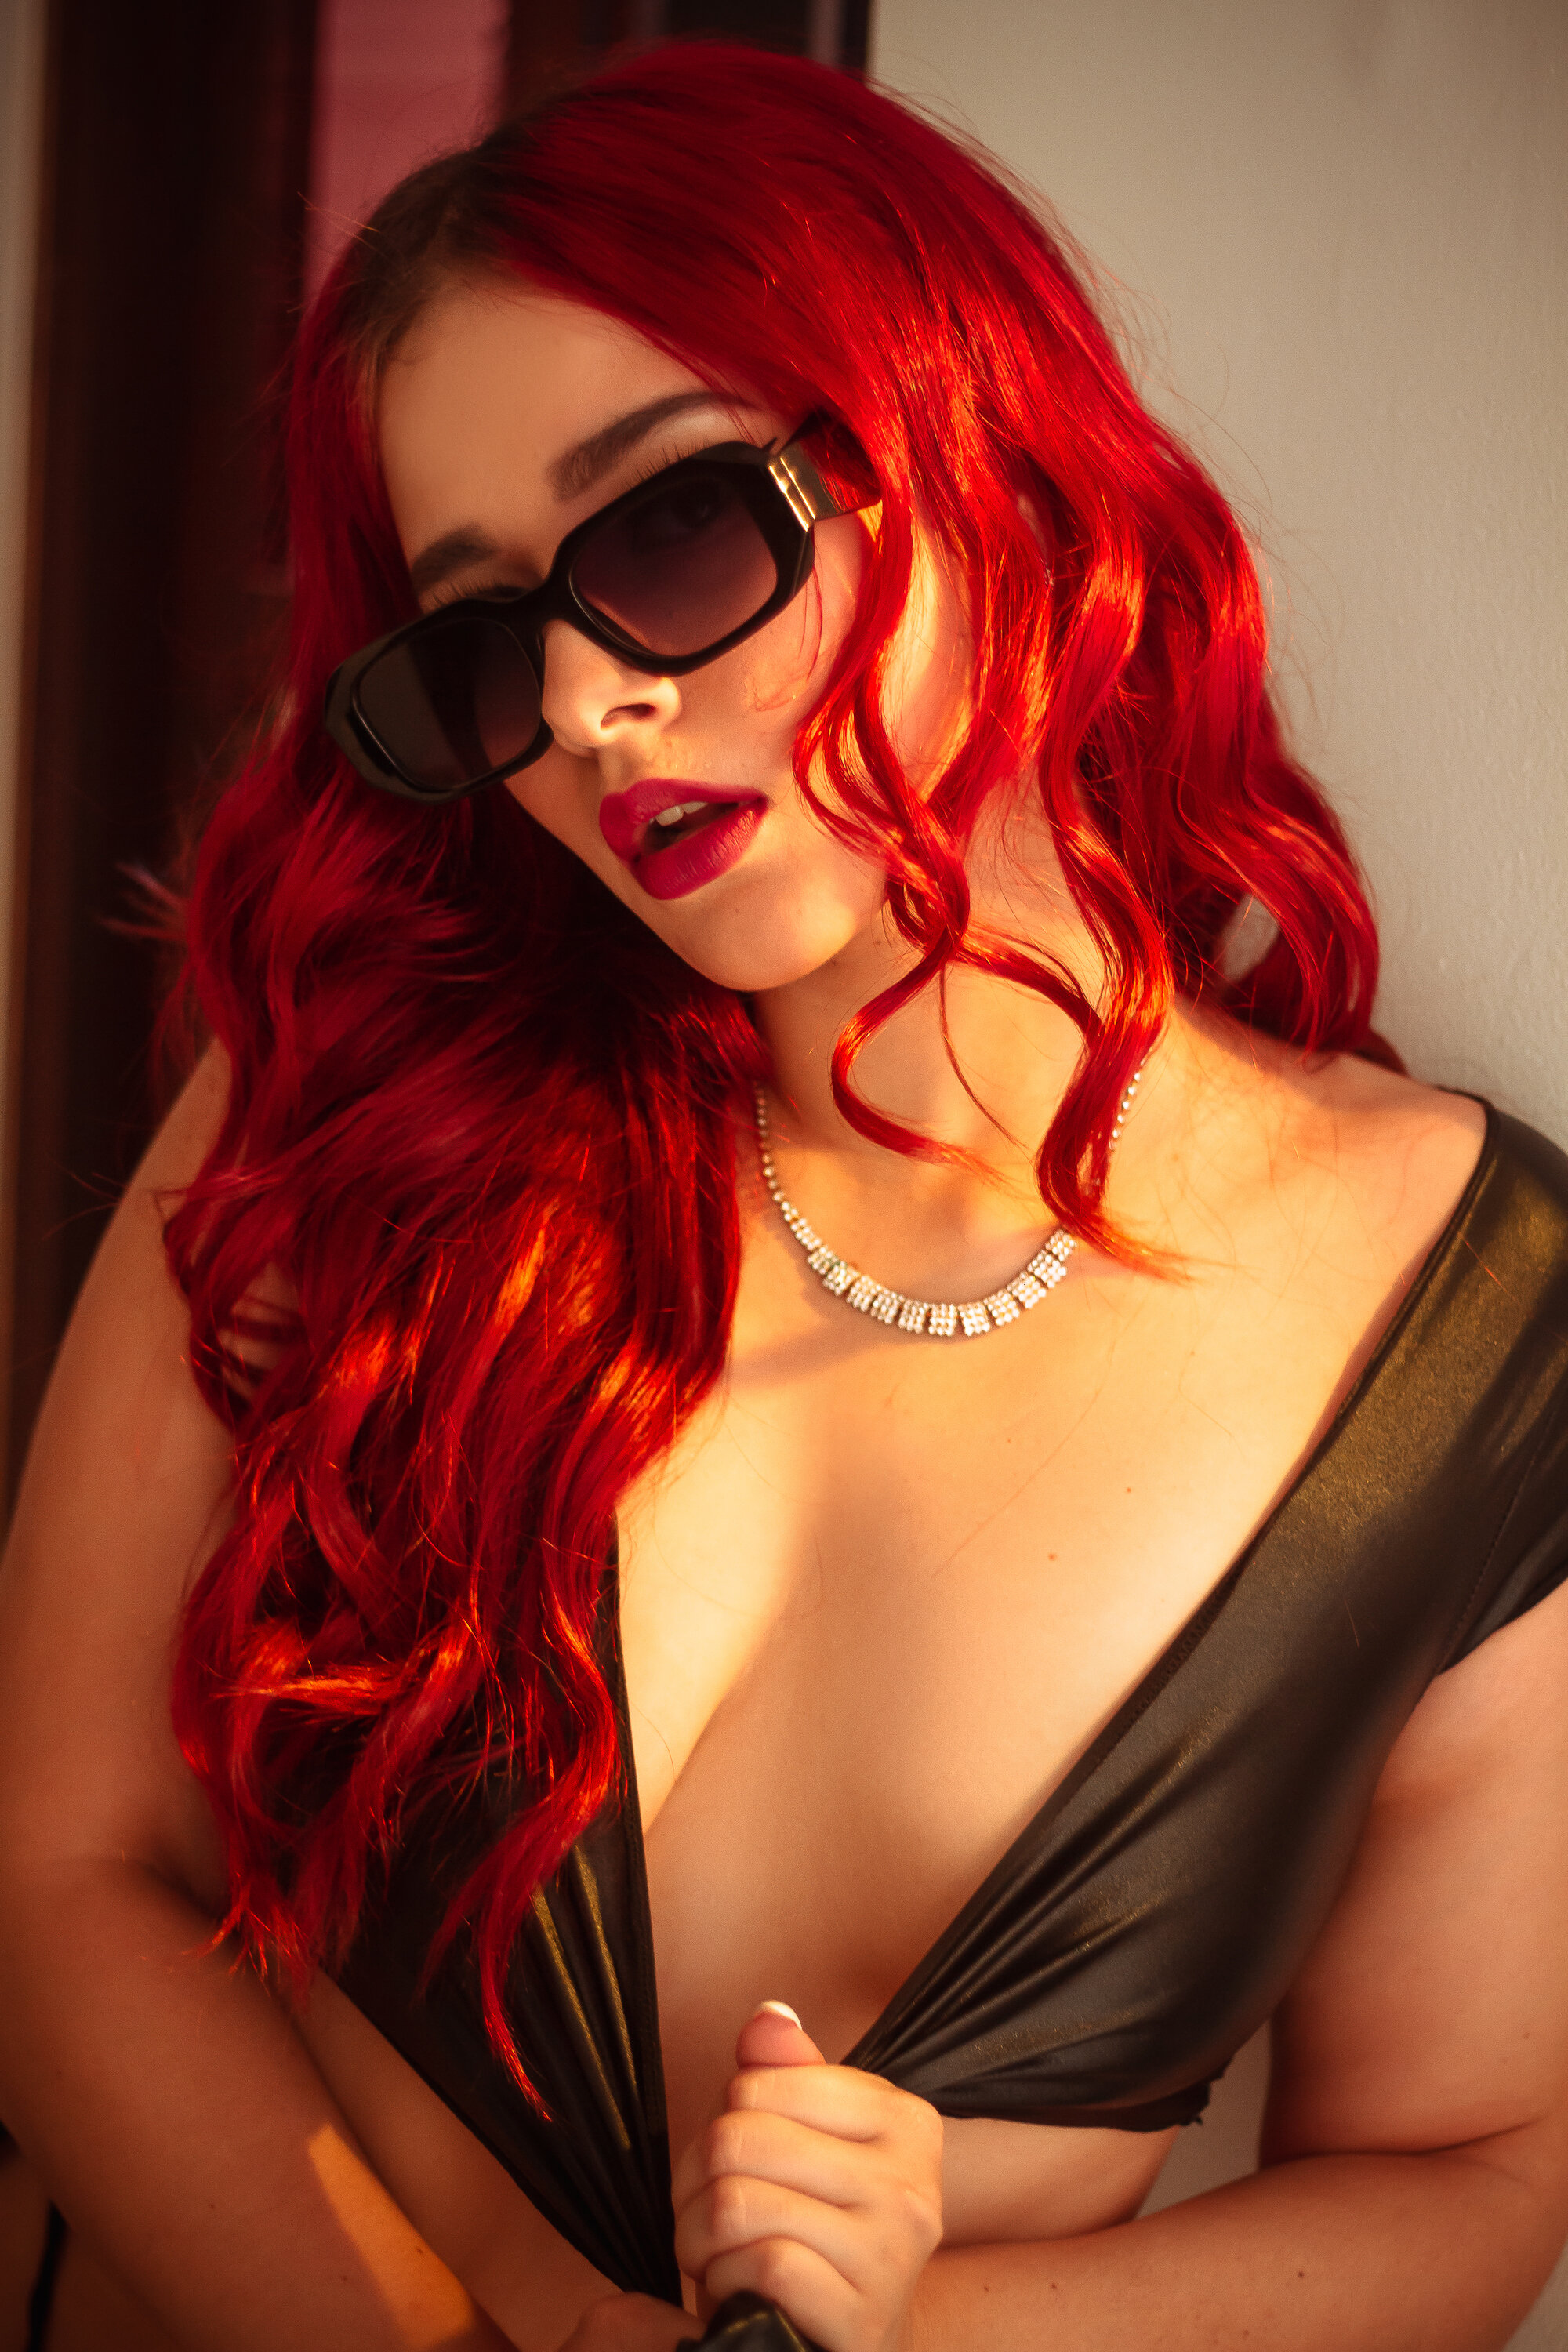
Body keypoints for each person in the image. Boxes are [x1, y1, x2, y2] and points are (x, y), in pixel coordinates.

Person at [1, 38, 1566, 2352]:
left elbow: (1469, 2175)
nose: (585, 711)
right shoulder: (357, 1093)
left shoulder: (1459, 1322)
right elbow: (59, 1876)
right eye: (484, 643)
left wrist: (930, 2329)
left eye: (666, 534)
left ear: (985, 448)